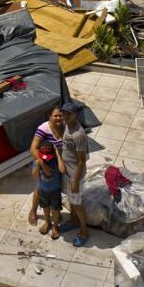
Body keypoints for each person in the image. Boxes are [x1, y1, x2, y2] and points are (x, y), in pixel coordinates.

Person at [58, 101, 90, 247]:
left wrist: (75, 181)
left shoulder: (79, 135)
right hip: (68, 173)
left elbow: (82, 161)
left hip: (75, 175)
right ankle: (73, 221)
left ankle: (84, 231)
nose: (65, 116)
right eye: (63, 112)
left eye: (68, 114)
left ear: (75, 115)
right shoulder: (67, 125)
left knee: (77, 204)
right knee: (71, 201)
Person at [27, 104, 65, 225]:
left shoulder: (65, 126)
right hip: (44, 160)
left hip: (58, 161)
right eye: (55, 116)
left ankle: (55, 213)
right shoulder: (43, 128)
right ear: (50, 116)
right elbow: (33, 149)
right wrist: (43, 164)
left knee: (55, 188)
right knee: (40, 187)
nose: (58, 118)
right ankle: (33, 211)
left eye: (60, 116)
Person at [31, 140, 65, 239]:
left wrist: (58, 155)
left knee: (55, 209)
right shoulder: (37, 161)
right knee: (45, 208)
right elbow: (34, 176)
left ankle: (55, 226)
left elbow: (62, 170)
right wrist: (38, 165)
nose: (47, 160)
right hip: (43, 190)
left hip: (55, 191)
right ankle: (47, 222)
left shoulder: (55, 161)